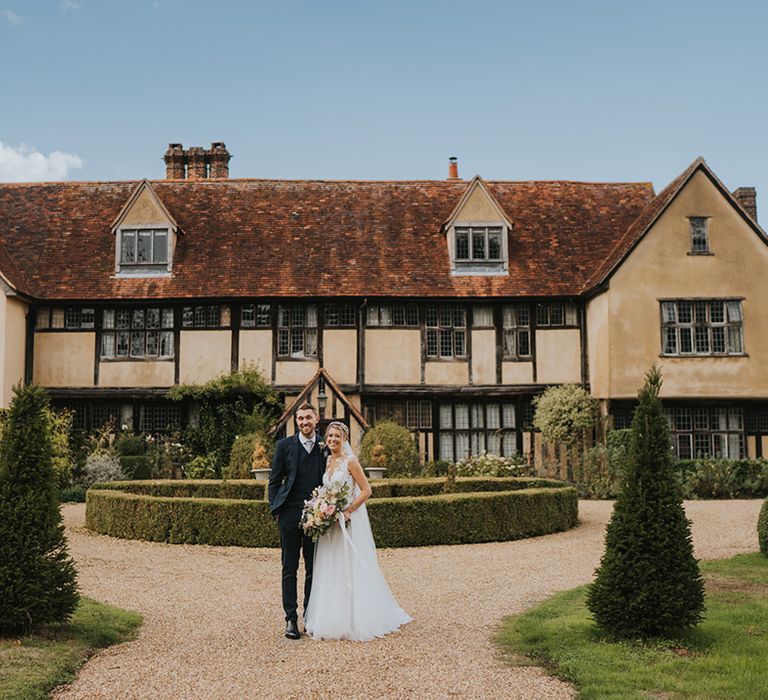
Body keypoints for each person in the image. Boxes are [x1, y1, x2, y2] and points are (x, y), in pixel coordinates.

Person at [304, 421, 412, 641]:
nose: (333, 439)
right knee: (330, 566)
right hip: (330, 526)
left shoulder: (350, 462)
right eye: (331, 436)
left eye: (338, 436)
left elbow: (367, 490)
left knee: (348, 567)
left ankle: (355, 618)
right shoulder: (326, 461)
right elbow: (326, 491)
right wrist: (321, 510)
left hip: (346, 522)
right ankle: (331, 617)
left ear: (344, 439)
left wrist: (348, 510)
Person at [269, 403, 325, 640]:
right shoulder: (284, 445)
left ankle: (310, 617)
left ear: (317, 419)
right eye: (300, 419)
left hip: (317, 516)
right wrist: (276, 510)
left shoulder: (326, 445)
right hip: (290, 514)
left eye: (308, 418)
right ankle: (290, 619)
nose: (304, 422)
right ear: (297, 422)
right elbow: (274, 480)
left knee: (314, 569)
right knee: (289, 568)